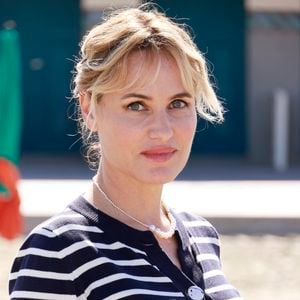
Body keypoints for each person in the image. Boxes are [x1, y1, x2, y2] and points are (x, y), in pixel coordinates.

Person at [9, 5, 242, 300]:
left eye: (178, 103)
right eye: (136, 105)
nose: (163, 130)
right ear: (89, 108)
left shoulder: (202, 234)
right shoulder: (56, 250)